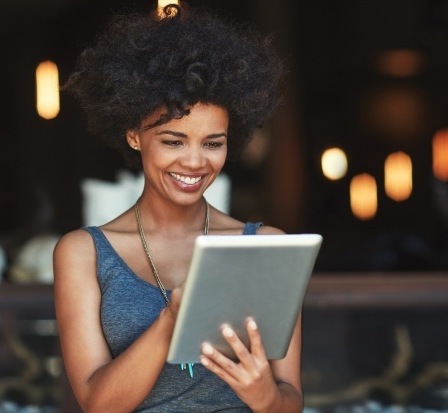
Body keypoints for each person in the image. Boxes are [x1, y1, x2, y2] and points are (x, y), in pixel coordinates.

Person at [52, 2, 304, 412]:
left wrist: (266, 397)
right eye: (173, 141)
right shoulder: (84, 253)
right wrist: (172, 321)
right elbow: (98, 405)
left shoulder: (263, 246)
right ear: (134, 134)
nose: (194, 162)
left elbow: (291, 401)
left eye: (213, 143)